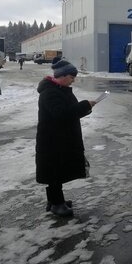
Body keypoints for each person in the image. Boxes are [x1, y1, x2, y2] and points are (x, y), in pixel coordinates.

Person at [35, 59, 96, 217]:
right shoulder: (50, 92)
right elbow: (62, 115)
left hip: (60, 138)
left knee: (58, 170)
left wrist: (86, 108)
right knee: (54, 171)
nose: (73, 80)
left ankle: (55, 201)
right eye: (71, 77)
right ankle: (56, 204)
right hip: (53, 140)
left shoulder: (60, 89)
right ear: (62, 76)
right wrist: (85, 105)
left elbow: (70, 111)